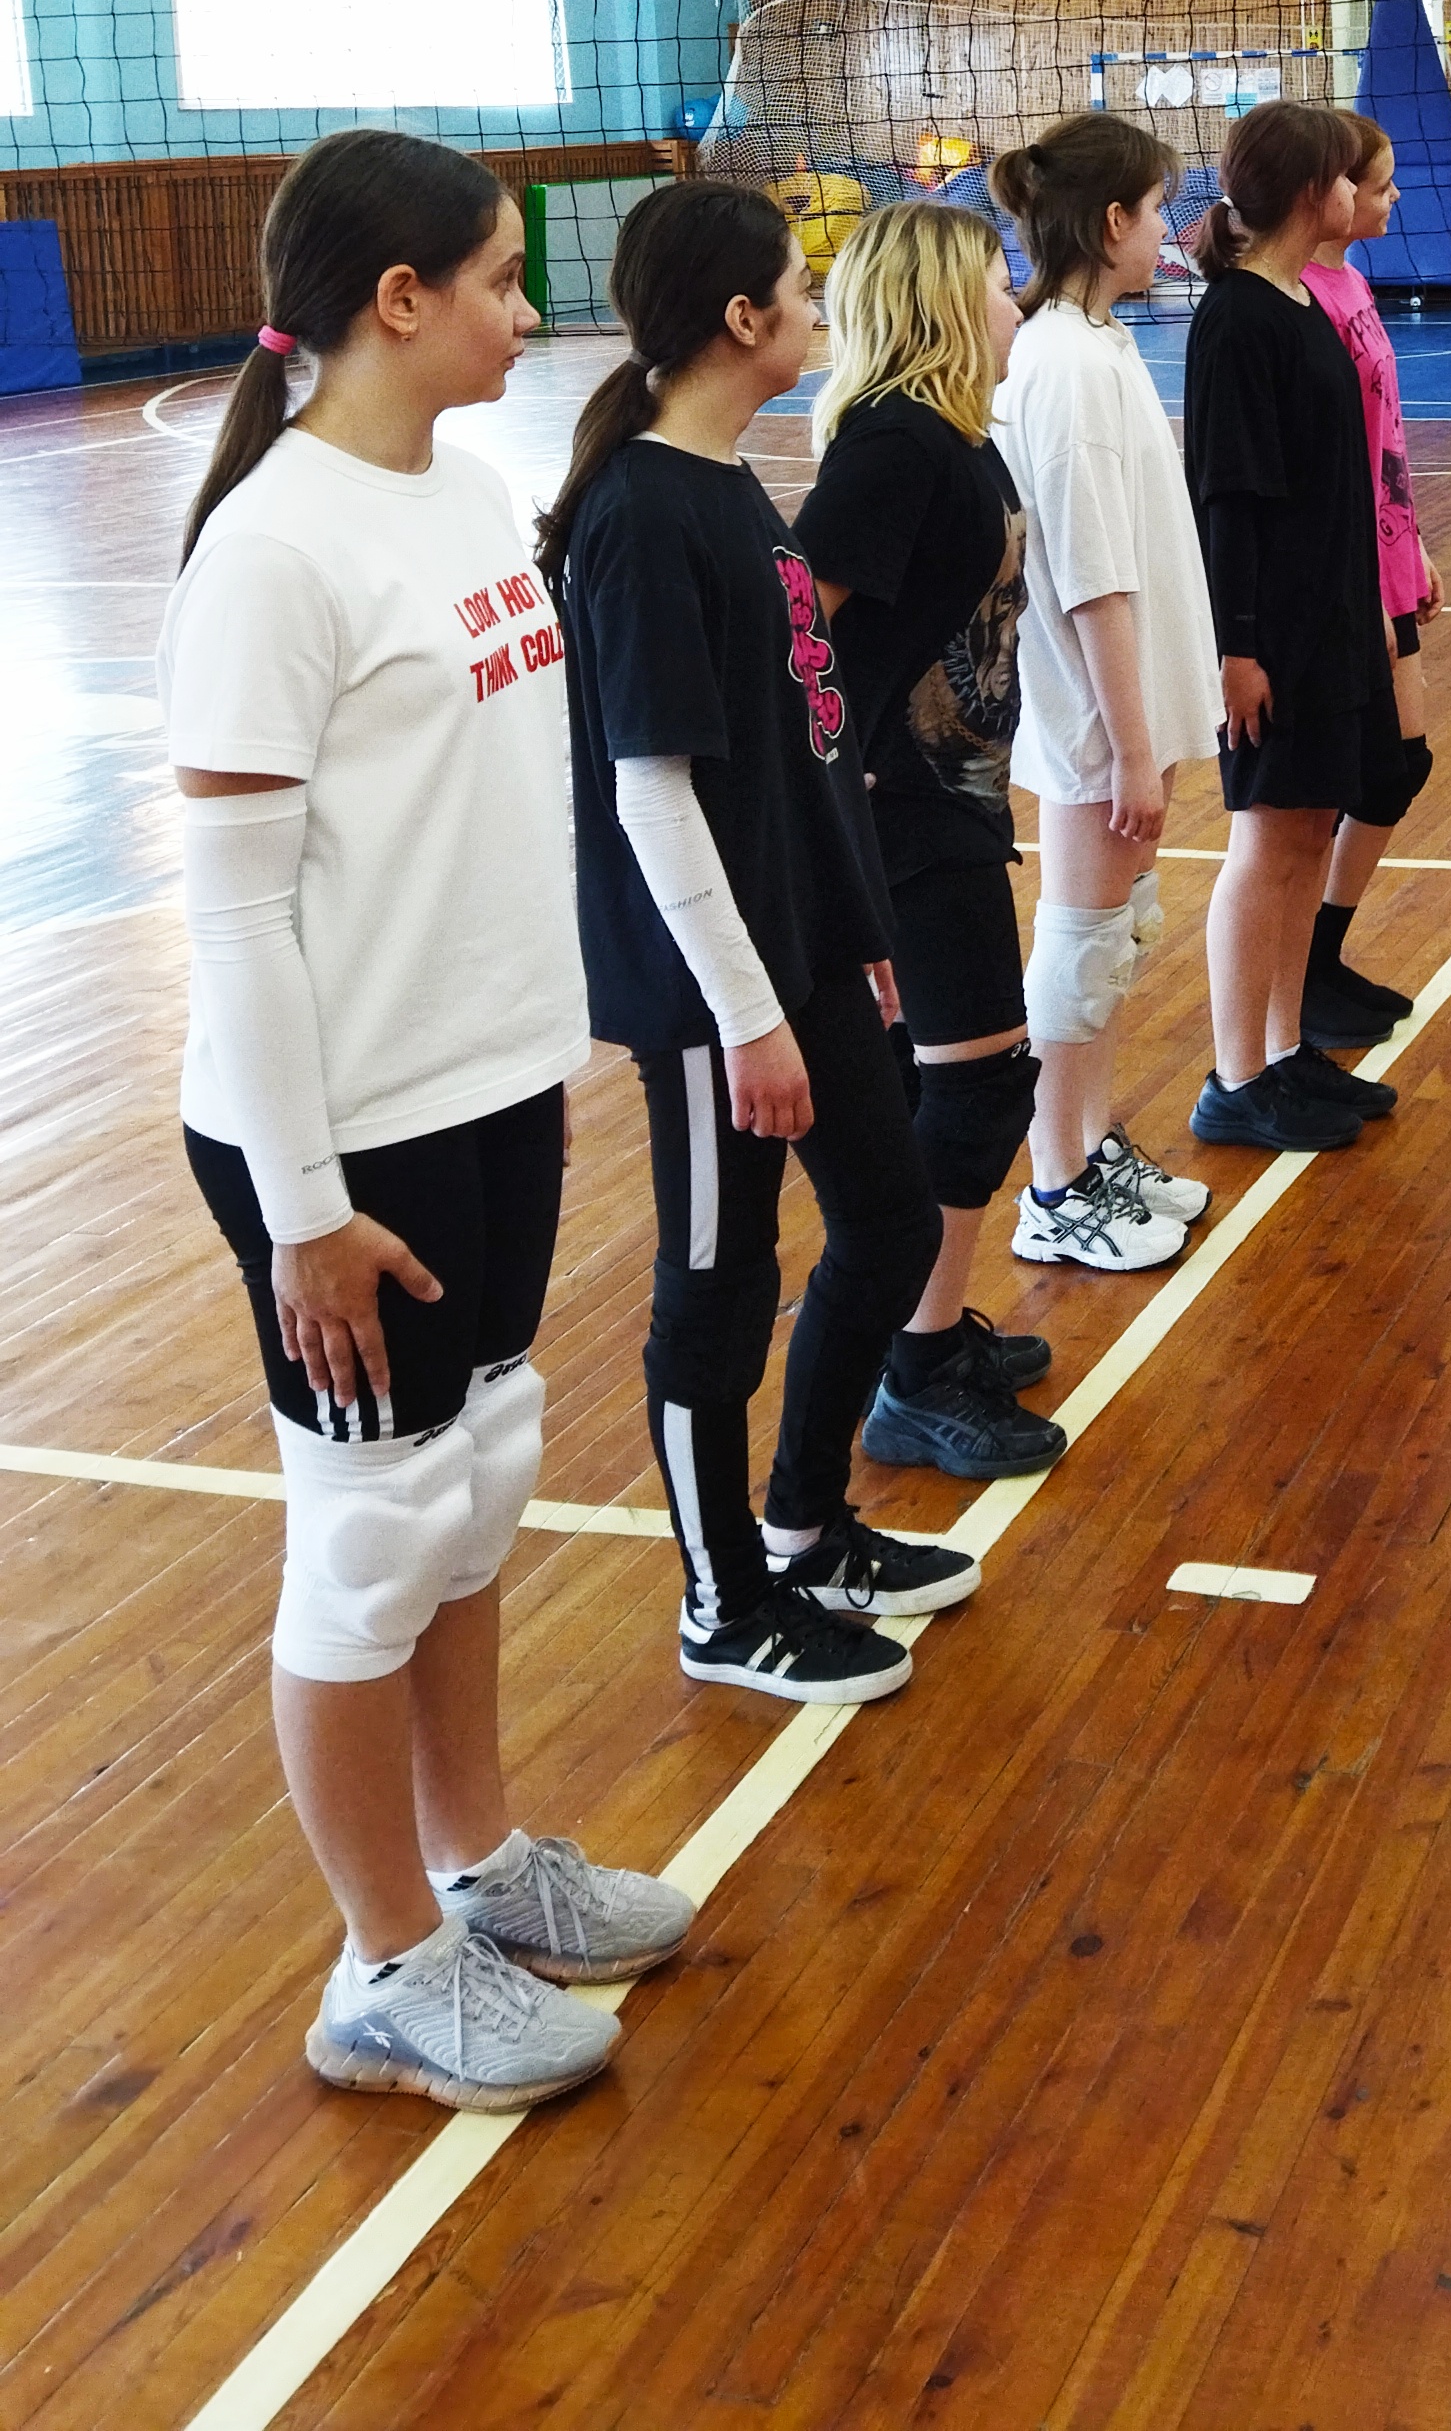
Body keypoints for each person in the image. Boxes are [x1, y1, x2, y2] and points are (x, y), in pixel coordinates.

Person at [164, 129, 692, 2108]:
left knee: (474, 1485)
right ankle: (383, 1965)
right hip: (339, 1133)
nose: (527, 311)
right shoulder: (274, 551)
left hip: (486, 1086)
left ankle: (476, 1863)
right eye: (495, 277)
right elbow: (236, 916)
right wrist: (302, 1206)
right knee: (372, 1535)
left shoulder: (467, 490)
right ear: (398, 301)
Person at [541, 179, 976, 1709]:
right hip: (707, 989)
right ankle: (722, 1602)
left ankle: (803, 1525)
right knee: (717, 1288)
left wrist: (850, 934)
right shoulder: (641, 512)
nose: (818, 305)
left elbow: (797, 751)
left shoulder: (724, 483)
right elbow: (652, 791)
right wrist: (745, 1015)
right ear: (742, 317)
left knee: (893, 1221)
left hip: (798, 950)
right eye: (800, 283)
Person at [794, 202, 1104, 1483]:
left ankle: (921, 1335)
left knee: (960, 1084)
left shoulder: (954, 436)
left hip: (952, 799)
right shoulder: (894, 445)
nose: (1015, 299)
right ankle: (914, 1369)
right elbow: (794, 633)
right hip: (902, 817)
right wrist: (838, 770)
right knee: (974, 1087)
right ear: (935, 299)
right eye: (995, 279)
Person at [988, 113, 1227, 1266]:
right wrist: (1130, 747)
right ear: (1112, 219)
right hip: (1093, 716)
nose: (1170, 228)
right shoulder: (1065, 364)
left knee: (1115, 936)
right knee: (1082, 948)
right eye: (1159, 206)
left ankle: (1089, 1142)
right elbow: (1090, 577)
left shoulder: (1098, 342)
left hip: (1124, 708)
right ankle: (1054, 1183)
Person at [1182, 101, 1400, 1151]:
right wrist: (1238, 648)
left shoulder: (1301, 299)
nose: (1360, 192)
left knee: (1310, 830)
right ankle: (1235, 1079)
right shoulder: (1236, 317)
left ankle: (1280, 1048)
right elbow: (1229, 500)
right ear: (1312, 192)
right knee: (1266, 841)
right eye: (1347, 177)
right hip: (1274, 634)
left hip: (1332, 617)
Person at [1299, 114, 1443, 1047]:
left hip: (1388, 555)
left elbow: (1382, 435)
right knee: (1363, 772)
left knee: (1400, 765)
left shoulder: (1354, 282)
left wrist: (1413, 544)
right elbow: (1329, 463)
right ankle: (1302, 969)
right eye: (1380, 185)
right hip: (1350, 572)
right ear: (1334, 191)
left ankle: (1321, 957)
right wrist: (1367, 583)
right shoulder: (1301, 300)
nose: (1392, 199)